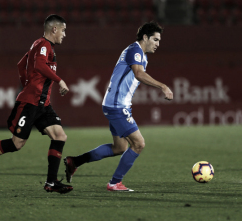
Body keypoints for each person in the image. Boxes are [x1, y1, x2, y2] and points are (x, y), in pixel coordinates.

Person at [0, 15, 73, 194]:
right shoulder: (44, 45)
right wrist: (59, 80)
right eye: (63, 30)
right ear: (54, 29)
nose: (64, 34)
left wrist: (26, 83)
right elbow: (38, 65)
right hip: (30, 104)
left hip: (43, 105)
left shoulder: (38, 44)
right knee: (16, 144)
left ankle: (51, 182)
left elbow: (21, 64)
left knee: (60, 136)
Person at [64, 22, 173, 191]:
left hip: (116, 105)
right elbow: (139, 73)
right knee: (139, 144)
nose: (158, 44)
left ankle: (75, 161)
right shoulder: (134, 50)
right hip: (116, 106)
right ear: (145, 37)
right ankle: (115, 183)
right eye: (155, 39)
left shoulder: (141, 55)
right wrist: (163, 86)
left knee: (119, 148)